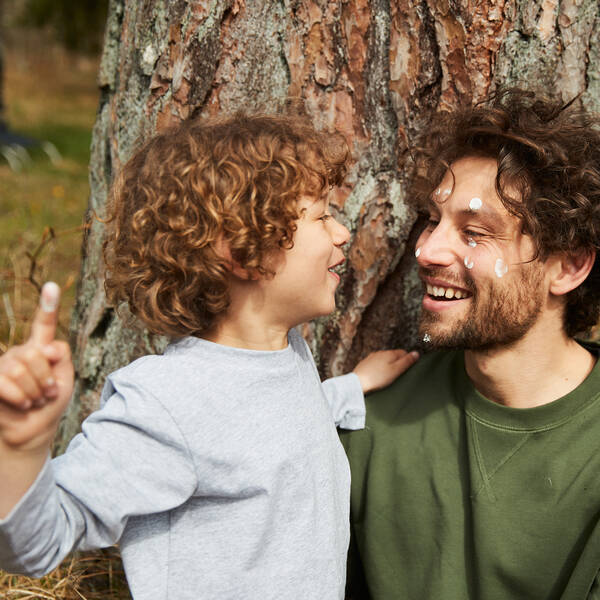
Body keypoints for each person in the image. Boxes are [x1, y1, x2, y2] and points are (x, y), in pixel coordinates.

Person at [0, 113, 419, 600]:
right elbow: (34, 544)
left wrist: (352, 387)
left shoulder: (285, 352)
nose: (343, 232)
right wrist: (21, 448)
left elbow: (268, 430)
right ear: (244, 252)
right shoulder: (166, 403)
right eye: (322, 215)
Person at [341, 89, 600, 600]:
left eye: (474, 232)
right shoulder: (369, 424)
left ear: (567, 266)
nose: (427, 249)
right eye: (435, 221)